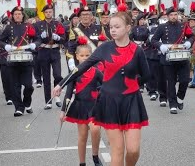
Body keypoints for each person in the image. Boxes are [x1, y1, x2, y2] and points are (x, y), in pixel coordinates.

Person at [53, 10, 150, 166]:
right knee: (117, 152)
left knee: (133, 151)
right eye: (111, 27)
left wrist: (131, 85)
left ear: (128, 28)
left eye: (117, 27)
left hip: (131, 101)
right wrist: (61, 83)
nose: (113, 30)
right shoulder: (104, 49)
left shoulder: (137, 51)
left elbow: (146, 75)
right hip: (110, 102)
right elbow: (83, 66)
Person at [60, 40, 103, 166]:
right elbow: (68, 94)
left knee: (95, 129)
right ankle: (82, 162)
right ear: (77, 57)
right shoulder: (74, 73)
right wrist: (63, 111)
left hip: (94, 105)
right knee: (82, 136)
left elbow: (105, 85)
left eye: (87, 55)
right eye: (82, 56)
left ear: (92, 57)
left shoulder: (96, 72)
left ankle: (95, 156)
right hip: (80, 106)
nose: (84, 58)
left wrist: (99, 91)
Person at [0, 0, 39, 117]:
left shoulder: (29, 26)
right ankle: (19, 108)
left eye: (19, 14)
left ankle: (27, 102)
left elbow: (38, 39)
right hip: (12, 61)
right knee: (15, 86)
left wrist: (34, 44)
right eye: (15, 14)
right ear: (12, 16)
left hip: (26, 60)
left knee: (29, 86)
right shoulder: (8, 28)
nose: (18, 16)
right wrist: (6, 46)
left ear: (22, 15)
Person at [151, 2, 195, 114]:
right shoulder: (162, 27)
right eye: (171, 15)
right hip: (168, 58)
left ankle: (180, 96)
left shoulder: (183, 26)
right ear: (167, 16)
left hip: (182, 57)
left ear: (178, 15)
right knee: (171, 82)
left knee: (184, 80)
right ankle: (173, 104)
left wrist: (189, 43)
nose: (173, 17)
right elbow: (154, 40)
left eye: (175, 14)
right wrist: (161, 46)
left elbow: (192, 36)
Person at [33, 0, 65, 110]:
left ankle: (57, 95)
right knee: (46, 78)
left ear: (53, 12)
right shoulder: (37, 25)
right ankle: (48, 101)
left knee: (57, 75)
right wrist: (39, 38)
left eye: (50, 12)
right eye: (46, 12)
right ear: (43, 13)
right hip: (44, 51)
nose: (48, 13)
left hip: (55, 51)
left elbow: (64, 39)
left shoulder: (58, 24)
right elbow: (34, 39)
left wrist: (59, 38)